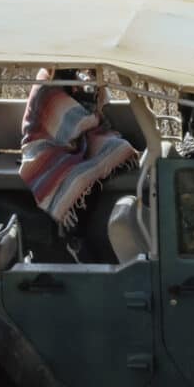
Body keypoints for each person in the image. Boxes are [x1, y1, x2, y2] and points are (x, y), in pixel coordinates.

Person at [20, 66, 135, 261]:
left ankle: (81, 233)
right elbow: (72, 122)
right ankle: (75, 236)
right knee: (79, 177)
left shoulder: (74, 81)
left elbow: (89, 112)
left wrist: (93, 96)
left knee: (118, 147)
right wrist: (93, 116)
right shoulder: (47, 85)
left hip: (74, 143)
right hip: (46, 147)